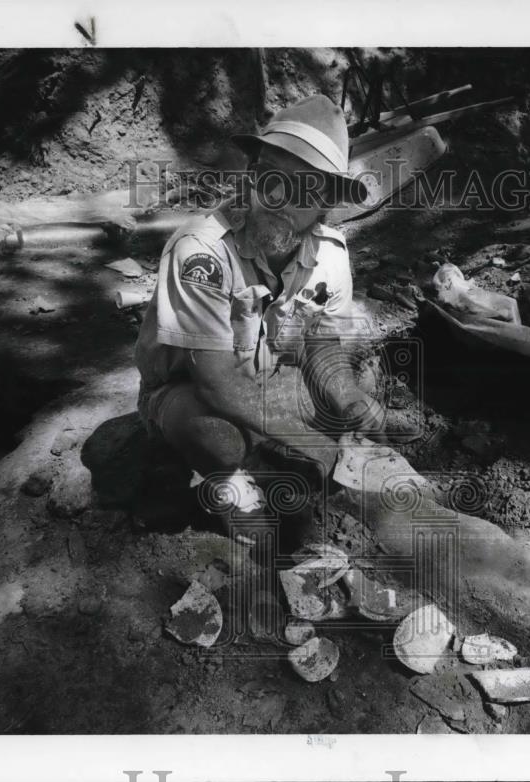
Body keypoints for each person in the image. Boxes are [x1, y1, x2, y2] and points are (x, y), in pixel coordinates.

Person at [135, 94, 395, 546]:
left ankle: (272, 448)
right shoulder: (201, 250)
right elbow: (216, 384)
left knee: (357, 386)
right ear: (253, 175)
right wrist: (312, 442)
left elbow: (322, 343)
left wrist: (350, 400)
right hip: (188, 390)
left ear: (327, 204)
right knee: (220, 437)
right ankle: (232, 478)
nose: (280, 199)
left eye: (306, 189)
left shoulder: (330, 255)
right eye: (272, 180)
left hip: (266, 380)